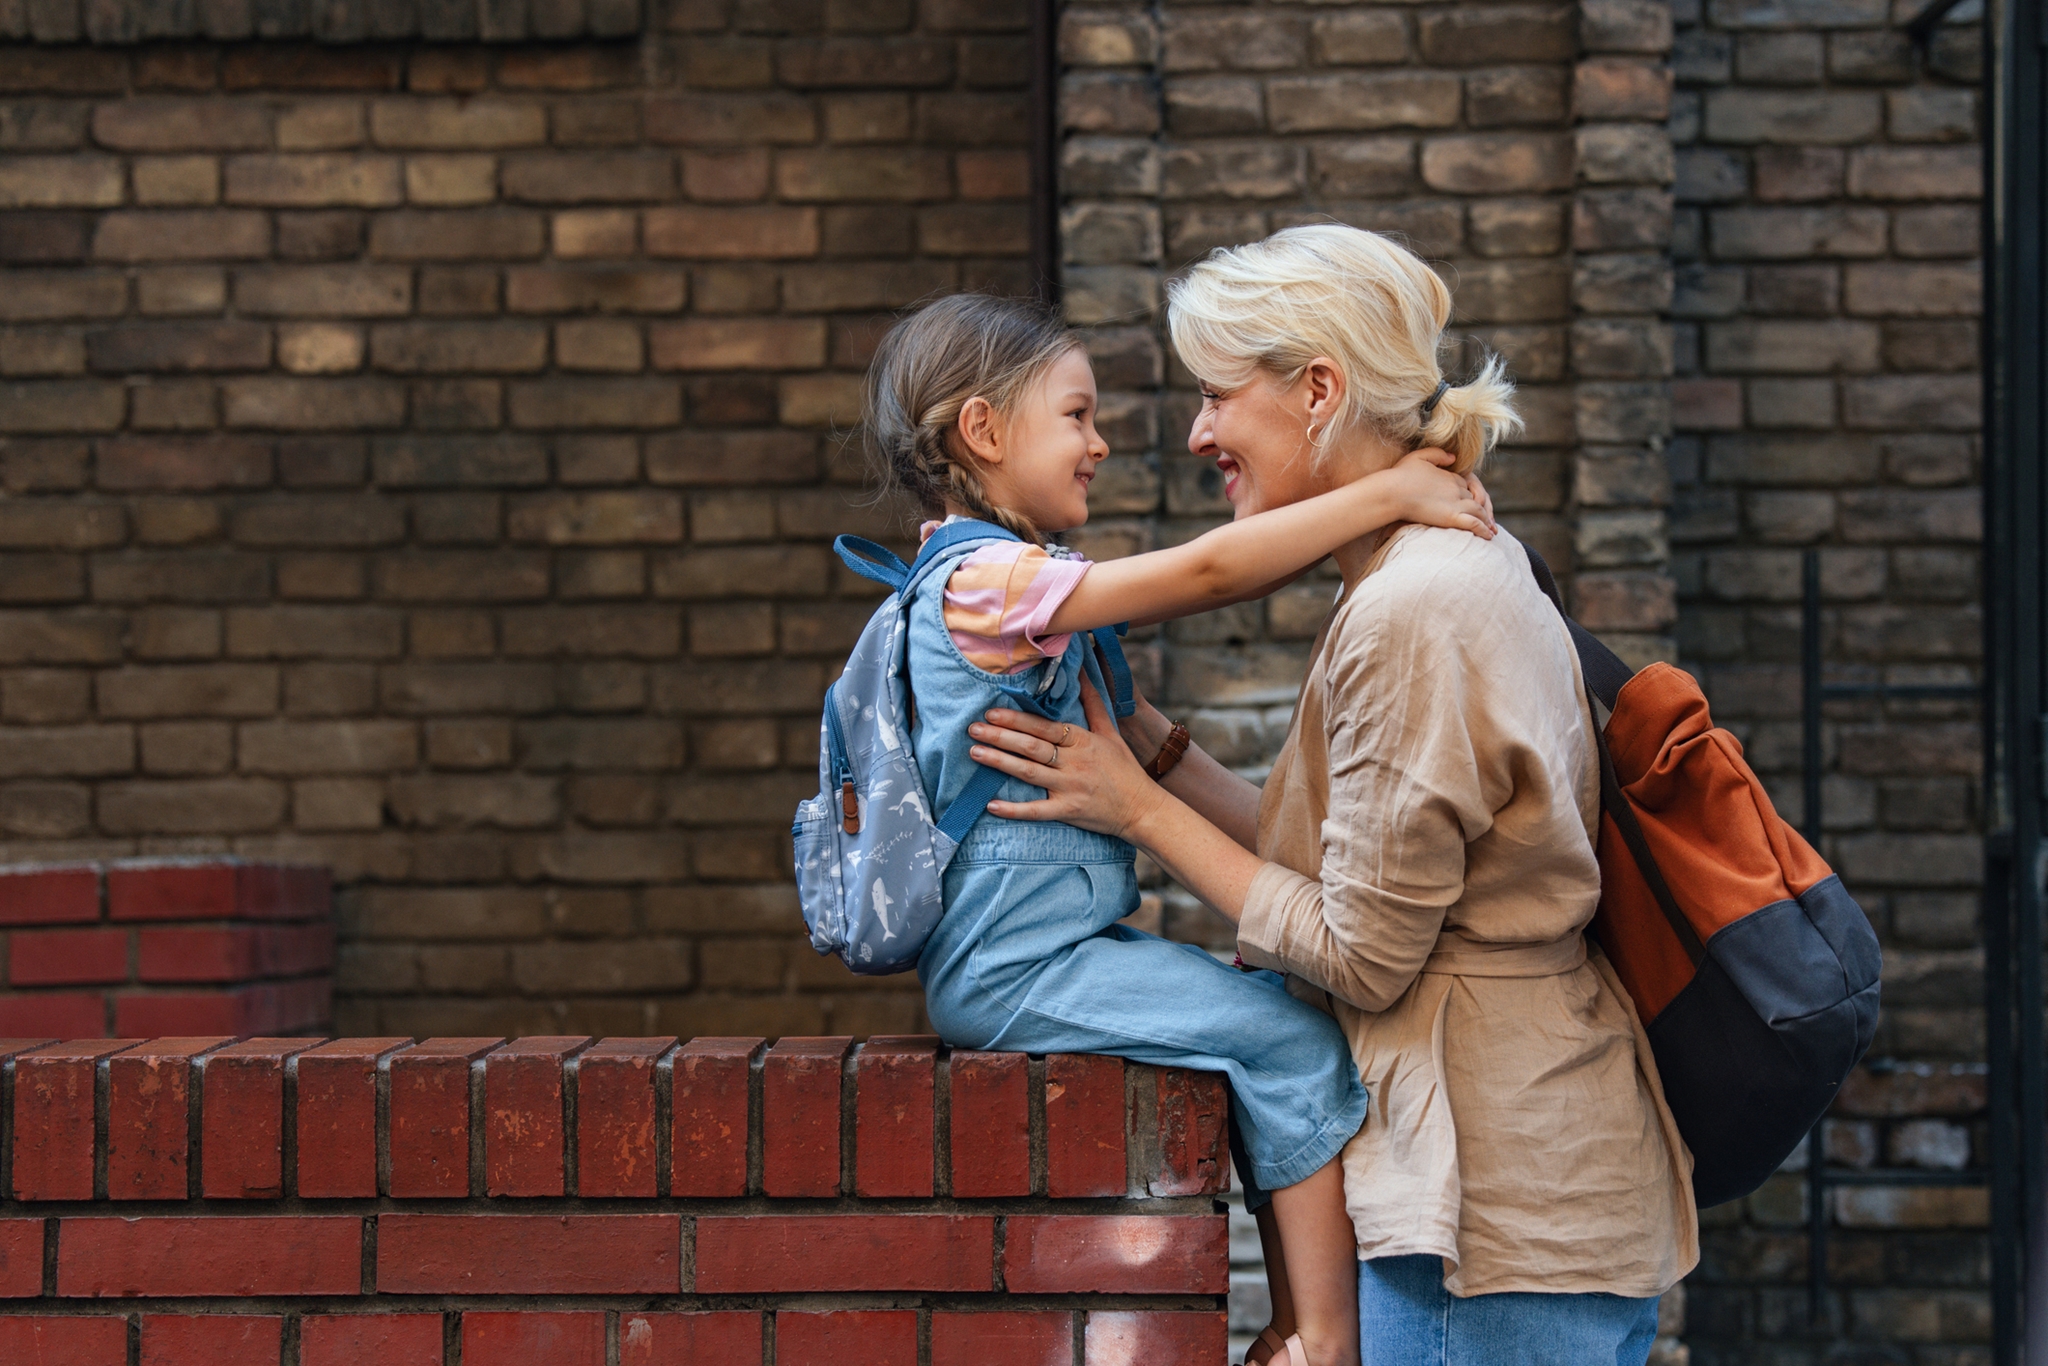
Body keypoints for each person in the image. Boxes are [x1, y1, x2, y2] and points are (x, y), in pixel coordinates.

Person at [965, 226, 1699, 1366]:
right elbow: (1359, 868)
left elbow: (1361, 949)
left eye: (1216, 394)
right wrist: (1156, 753)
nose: (1199, 431)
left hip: (1482, 1217)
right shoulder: (1427, 568)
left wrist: (1136, 812)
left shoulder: (1415, 606)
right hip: (1520, 1182)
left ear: (1317, 389)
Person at [861, 292, 1494, 1366]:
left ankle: (1295, 1323)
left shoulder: (1022, 598)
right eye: (1075, 415)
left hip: (1052, 948)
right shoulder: (985, 580)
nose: (1099, 443)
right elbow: (1202, 571)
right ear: (982, 431)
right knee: (1291, 1039)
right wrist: (1386, 493)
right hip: (1015, 963)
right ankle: (1327, 1344)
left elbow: (1144, 742)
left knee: (1265, 1011)